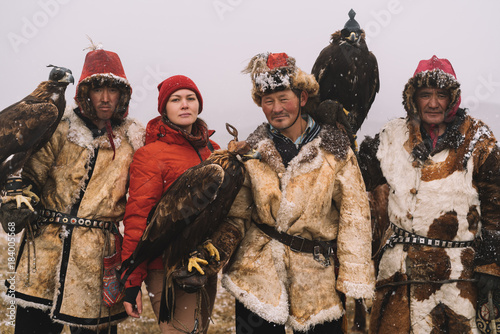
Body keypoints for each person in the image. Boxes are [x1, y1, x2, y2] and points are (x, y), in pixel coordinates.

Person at [193, 52, 373, 334]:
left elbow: (355, 217)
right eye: (268, 101)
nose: (277, 108)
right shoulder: (251, 153)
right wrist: (215, 251)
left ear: (302, 98)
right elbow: (238, 214)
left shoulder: (335, 151)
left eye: (284, 98)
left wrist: (355, 277)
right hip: (258, 274)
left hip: (317, 277)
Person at [8, 43, 145, 333]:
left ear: (123, 94)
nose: (105, 98)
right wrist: (17, 200)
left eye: (113, 90)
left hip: (97, 262)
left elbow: (146, 194)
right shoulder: (60, 126)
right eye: (97, 89)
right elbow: (31, 177)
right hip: (43, 252)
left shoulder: (133, 138)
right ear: (84, 92)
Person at [358, 55, 500, 333]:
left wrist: (492, 263)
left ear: (453, 99)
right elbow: (356, 178)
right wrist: (342, 131)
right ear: (413, 98)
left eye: (441, 95)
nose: (433, 103)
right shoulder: (392, 135)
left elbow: (496, 203)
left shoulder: (477, 139)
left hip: (458, 275)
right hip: (401, 273)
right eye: (425, 95)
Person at [121, 75, 220, 333]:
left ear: (199, 104)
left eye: (190, 98)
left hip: (203, 265)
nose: (184, 105)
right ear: (164, 108)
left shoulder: (214, 151)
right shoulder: (150, 154)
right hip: (166, 269)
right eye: (175, 100)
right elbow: (137, 219)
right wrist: (132, 280)